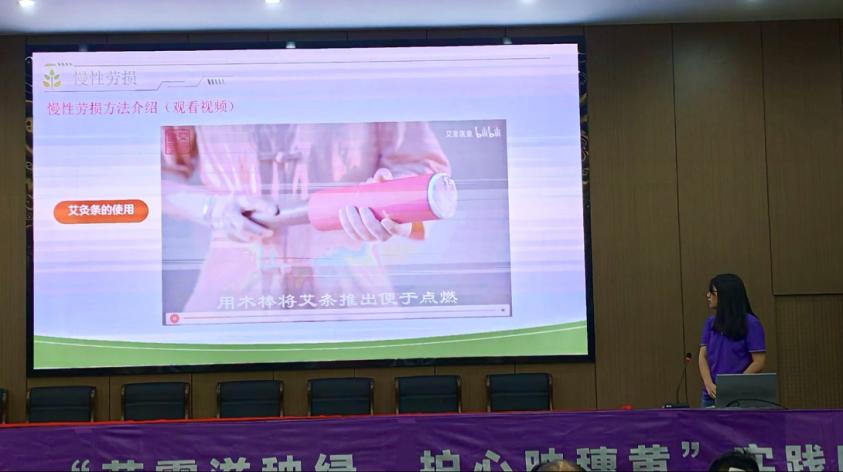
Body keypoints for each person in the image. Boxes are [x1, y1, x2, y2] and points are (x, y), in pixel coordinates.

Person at [161, 122, 451, 312]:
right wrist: (211, 208)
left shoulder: (372, 69)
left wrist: (387, 204)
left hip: (351, 293)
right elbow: (152, 176)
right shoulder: (192, 76)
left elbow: (422, 168)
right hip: (229, 294)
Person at [698, 273, 766, 408]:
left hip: (740, 395)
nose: (708, 295)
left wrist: (735, 385)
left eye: (712, 292)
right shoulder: (710, 323)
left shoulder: (751, 323)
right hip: (710, 396)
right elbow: (702, 356)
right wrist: (708, 384)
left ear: (726, 295)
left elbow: (759, 361)